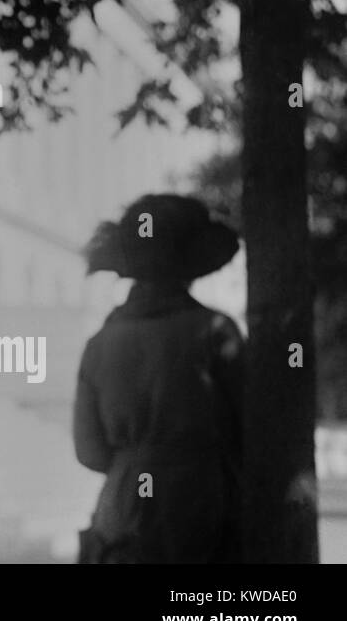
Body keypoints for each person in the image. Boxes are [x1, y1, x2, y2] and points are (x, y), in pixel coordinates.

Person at [74, 194, 243, 563]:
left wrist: (137, 463)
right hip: (201, 513)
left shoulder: (99, 344)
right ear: (190, 266)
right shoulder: (215, 331)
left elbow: (88, 451)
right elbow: (251, 433)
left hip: (119, 518)